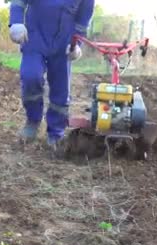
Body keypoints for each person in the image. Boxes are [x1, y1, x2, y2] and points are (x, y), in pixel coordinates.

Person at [8, 0, 95, 151]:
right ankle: (33, 121)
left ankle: (56, 133)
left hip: (63, 44)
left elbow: (82, 20)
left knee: (61, 91)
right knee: (30, 76)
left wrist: (77, 45)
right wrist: (16, 21)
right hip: (34, 37)